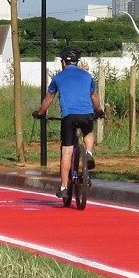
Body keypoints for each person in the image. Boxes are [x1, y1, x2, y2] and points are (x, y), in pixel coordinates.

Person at [34, 49, 105, 199]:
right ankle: (89, 153)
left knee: (66, 152)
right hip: (86, 114)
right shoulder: (87, 76)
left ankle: (64, 187)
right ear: (76, 62)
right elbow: (94, 96)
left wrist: (40, 113)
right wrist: (99, 111)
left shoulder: (58, 77)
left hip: (69, 116)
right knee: (88, 132)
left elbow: (49, 98)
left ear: (63, 62)